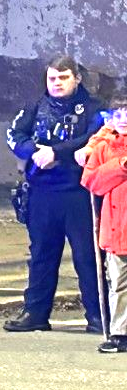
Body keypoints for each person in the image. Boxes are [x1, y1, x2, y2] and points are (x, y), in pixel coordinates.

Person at [4, 56, 103, 334]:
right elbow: (14, 135)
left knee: (87, 257)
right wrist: (34, 152)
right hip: (42, 193)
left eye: (63, 78)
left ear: (77, 78)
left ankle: (97, 316)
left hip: (79, 194)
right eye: (52, 79)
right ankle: (35, 313)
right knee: (41, 256)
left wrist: (57, 152)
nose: (57, 84)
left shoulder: (94, 108)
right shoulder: (35, 107)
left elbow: (94, 138)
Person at [77, 94, 127, 354]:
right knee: (118, 283)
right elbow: (92, 181)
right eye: (118, 115)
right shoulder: (105, 146)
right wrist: (121, 166)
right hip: (117, 227)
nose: (124, 120)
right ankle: (120, 332)